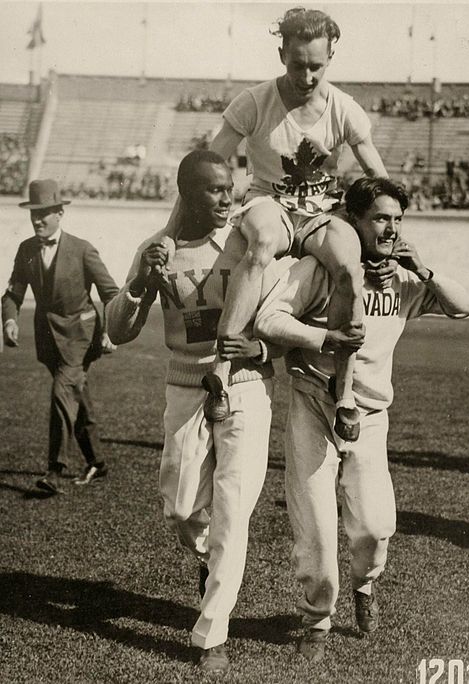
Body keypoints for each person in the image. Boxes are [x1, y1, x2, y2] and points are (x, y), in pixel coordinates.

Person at [254, 177, 469, 662]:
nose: (390, 229)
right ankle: (318, 620)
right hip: (315, 404)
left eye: (397, 219)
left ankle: (365, 586)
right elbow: (269, 319)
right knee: (315, 522)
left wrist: (425, 268)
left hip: (371, 415)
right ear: (354, 221)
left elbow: (463, 307)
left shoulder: (405, 280)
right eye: (380, 218)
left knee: (374, 527)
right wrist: (323, 339)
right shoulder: (320, 267)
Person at [106, 150, 289, 674]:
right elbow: (117, 330)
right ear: (186, 194)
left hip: (246, 388)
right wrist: (142, 282)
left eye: (229, 187)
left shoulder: (249, 241)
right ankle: (209, 561)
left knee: (233, 511)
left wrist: (257, 352)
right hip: (184, 385)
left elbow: (282, 319)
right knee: (182, 506)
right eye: (213, 190)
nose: (226, 198)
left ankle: (212, 635)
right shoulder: (156, 249)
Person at [171, 6, 389, 440]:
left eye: (316, 66)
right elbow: (203, 170)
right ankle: (222, 368)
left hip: (322, 212)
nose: (306, 77)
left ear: (330, 60)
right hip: (268, 201)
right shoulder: (254, 102)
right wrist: (170, 231)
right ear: (280, 53)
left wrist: (397, 243)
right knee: (262, 242)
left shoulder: (344, 109)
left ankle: (344, 391)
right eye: (297, 65)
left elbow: (380, 182)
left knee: (348, 265)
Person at [2, 179, 118, 494]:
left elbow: (111, 294)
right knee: (76, 397)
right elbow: (12, 294)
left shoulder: (82, 249)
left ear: (59, 213)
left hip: (81, 338)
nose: (37, 220)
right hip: (48, 340)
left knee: (61, 393)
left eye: (44, 213)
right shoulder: (26, 249)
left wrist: (110, 331)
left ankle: (54, 470)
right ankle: (98, 461)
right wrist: (10, 322)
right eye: (33, 214)